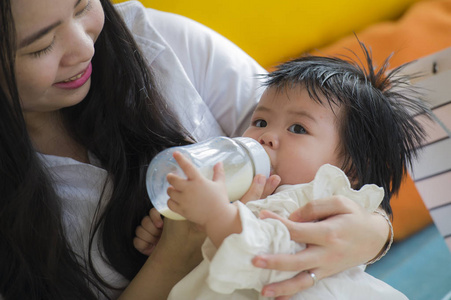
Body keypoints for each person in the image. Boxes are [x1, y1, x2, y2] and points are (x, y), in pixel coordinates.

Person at [0, 0, 392, 298]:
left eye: (83, 6)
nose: (85, 48)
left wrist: (372, 230)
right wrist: (170, 251)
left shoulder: (162, 41)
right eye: (41, 46)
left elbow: (337, 151)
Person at [136, 45, 430, 299]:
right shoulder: (242, 193)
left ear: (349, 169)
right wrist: (171, 238)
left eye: (298, 128)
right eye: (261, 121)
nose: (266, 137)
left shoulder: (316, 203)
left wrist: (214, 215)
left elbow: (272, 255)